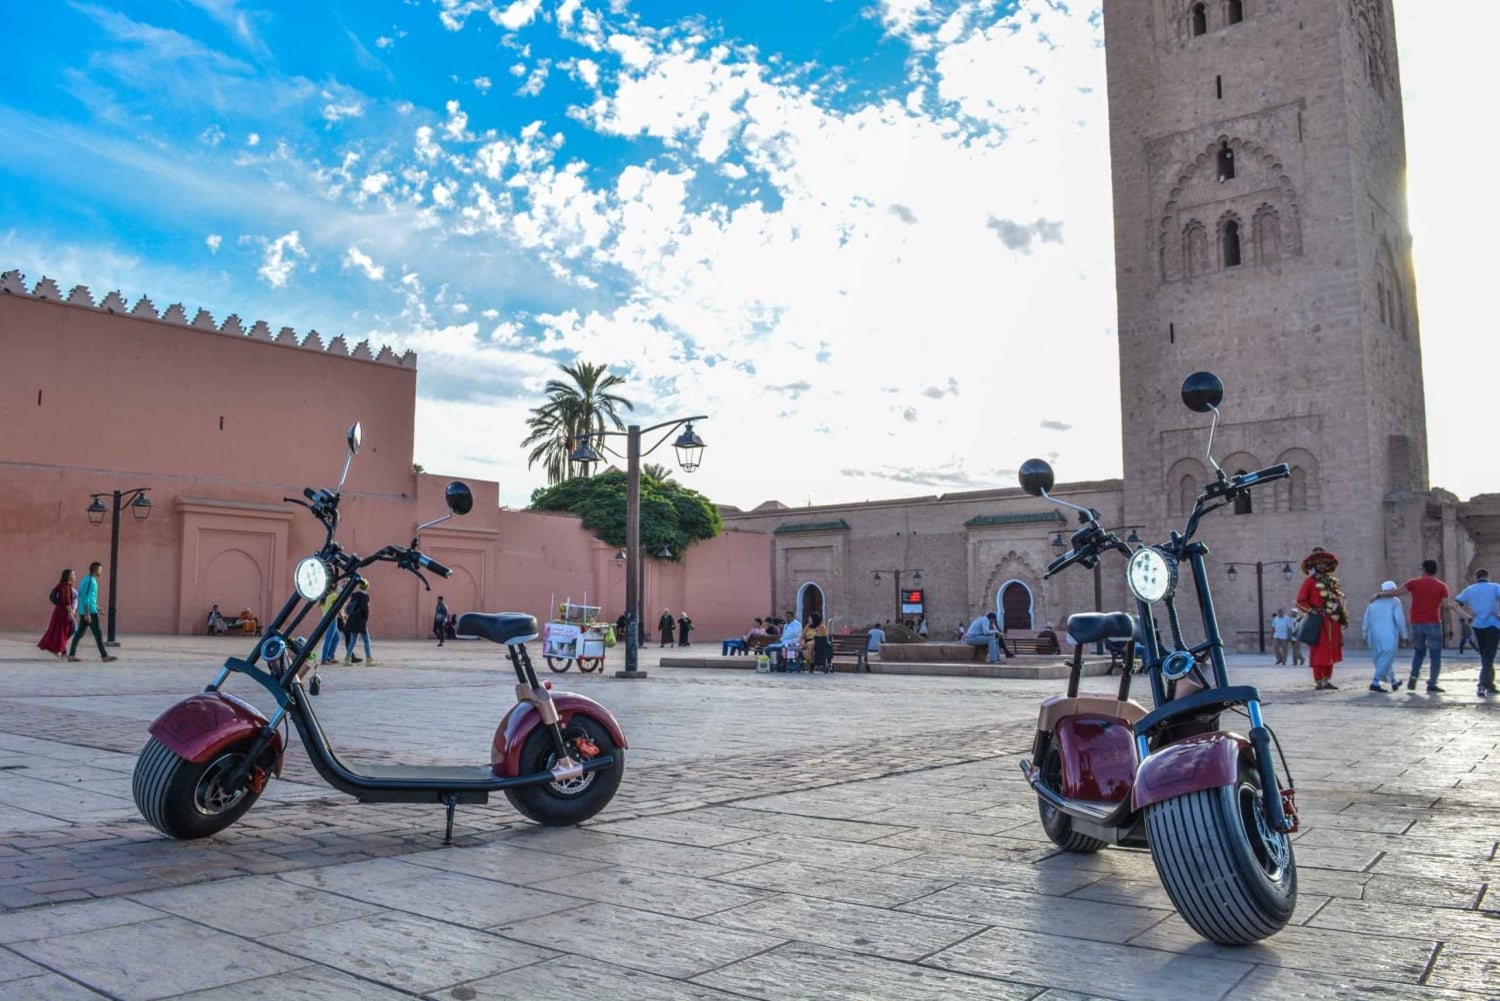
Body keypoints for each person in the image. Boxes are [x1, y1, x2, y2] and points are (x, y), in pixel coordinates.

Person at [1379, 560, 1453, 693]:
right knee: (1435, 654)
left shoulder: (1413, 583)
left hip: (1417, 622)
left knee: (1419, 652)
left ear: (1424, 570)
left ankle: (1414, 676)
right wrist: (1450, 627)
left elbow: (1396, 592)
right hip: (1433, 622)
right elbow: (1446, 607)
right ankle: (1432, 683)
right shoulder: (1442, 586)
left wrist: (1380, 595)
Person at [1295, 547, 1346, 690]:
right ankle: (1319, 680)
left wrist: (1341, 612)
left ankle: (1327, 680)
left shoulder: (1331, 583)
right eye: (1319, 563)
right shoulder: (1309, 582)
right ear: (1314, 565)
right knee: (1319, 651)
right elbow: (1300, 602)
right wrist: (1312, 611)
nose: (1322, 566)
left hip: (1332, 620)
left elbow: (1336, 599)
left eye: (1324, 563)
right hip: (1318, 622)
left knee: (1331, 650)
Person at [1454, 569, 1500, 697]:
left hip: (1478, 625)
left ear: (1477, 577)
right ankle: (1482, 685)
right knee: (1489, 656)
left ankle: (1490, 684)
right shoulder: (1495, 587)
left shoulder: (1470, 589)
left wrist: (1466, 616)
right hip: (1493, 624)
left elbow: (1455, 604)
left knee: (1485, 655)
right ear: (1488, 577)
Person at [1362, 581, 1408, 692]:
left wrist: (1365, 634)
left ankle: (1393, 681)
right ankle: (1375, 682)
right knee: (1386, 658)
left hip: (1373, 635)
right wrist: (1404, 635)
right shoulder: (1395, 601)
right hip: (1388, 635)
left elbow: (1366, 620)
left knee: (1382, 659)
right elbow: (1399, 619)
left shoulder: (1373, 602)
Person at [68, 562, 116, 663]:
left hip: (88, 610)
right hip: (89, 612)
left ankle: (71, 655)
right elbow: (86, 597)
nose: (101, 571)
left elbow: (87, 597)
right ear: (96, 570)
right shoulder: (90, 581)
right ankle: (104, 656)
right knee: (98, 634)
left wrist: (97, 608)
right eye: (100, 569)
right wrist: (87, 613)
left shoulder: (86, 579)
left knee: (79, 634)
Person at [39, 568, 78, 660]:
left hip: (61, 610)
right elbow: (66, 600)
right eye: (73, 574)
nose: (74, 576)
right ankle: (58, 648)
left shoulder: (63, 585)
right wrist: (70, 612)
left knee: (63, 630)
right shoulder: (65, 586)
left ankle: (61, 650)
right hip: (63, 611)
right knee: (70, 629)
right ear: (68, 576)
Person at [342, 580, 374, 666]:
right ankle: (369, 660)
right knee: (366, 640)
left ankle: (347, 659)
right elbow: (365, 609)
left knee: (353, 640)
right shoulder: (365, 596)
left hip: (352, 619)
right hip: (360, 621)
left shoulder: (355, 595)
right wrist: (365, 619)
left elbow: (349, 608)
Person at [319, 590, 343, 665]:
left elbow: (322, 608)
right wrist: (343, 619)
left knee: (337, 637)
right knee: (328, 639)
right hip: (332, 618)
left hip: (325, 618)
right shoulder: (333, 595)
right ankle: (324, 659)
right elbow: (339, 608)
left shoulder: (324, 597)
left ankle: (330, 657)